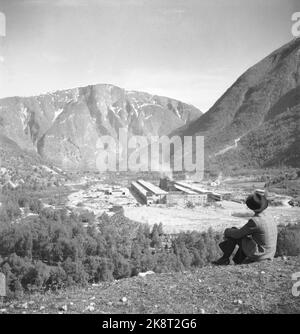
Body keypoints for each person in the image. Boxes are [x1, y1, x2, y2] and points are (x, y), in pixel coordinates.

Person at [212, 192, 278, 265]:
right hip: (270, 253)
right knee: (242, 237)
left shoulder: (255, 221)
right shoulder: (269, 216)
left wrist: (226, 231)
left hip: (261, 254)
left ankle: (225, 259)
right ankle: (235, 261)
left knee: (234, 233)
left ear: (251, 207)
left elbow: (237, 234)